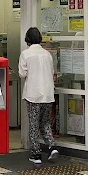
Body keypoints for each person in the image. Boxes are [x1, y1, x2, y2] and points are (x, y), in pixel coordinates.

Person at [19, 27, 58, 165]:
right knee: (45, 122)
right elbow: (53, 73)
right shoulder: (47, 54)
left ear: (27, 39)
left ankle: (36, 154)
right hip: (48, 94)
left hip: (33, 95)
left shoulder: (25, 54)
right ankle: (52, 146)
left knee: (34, 125)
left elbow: (22, 74)